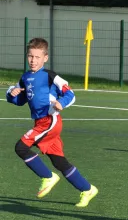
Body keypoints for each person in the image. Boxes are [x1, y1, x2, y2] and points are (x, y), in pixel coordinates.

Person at [6, 38, 98, 207]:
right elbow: (19, 100)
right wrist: (12, 93)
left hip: (50, 121)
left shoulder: (50, 76)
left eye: (37, 57)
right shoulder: (25, 77)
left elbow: (70, 93)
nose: (33, 60)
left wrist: (61, 103)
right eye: (30, 56)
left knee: (21, 147)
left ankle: (48, 177)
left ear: (45, 58)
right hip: (40, 123)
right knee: (59, 162)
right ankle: (87, 189)